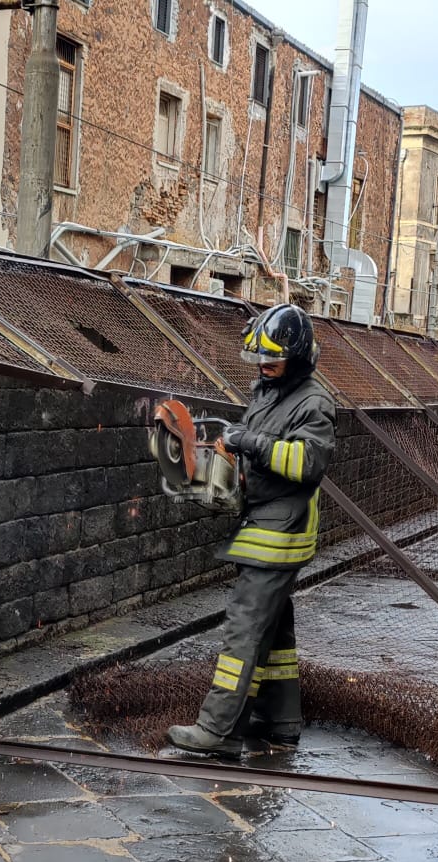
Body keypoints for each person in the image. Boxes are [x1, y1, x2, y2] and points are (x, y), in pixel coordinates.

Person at [166, 304, 337, 757]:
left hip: (279, 534)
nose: (263, 366)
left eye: (272, 358)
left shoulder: (314, 403)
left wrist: (251, 442)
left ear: (297, 356)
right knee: (274, 631)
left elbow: (307, 464)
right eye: (259, 359)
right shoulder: (271, 391)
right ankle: (280, 720)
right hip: (265, 521)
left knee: (244, 626)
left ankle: (218, 731)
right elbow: (258, 453)